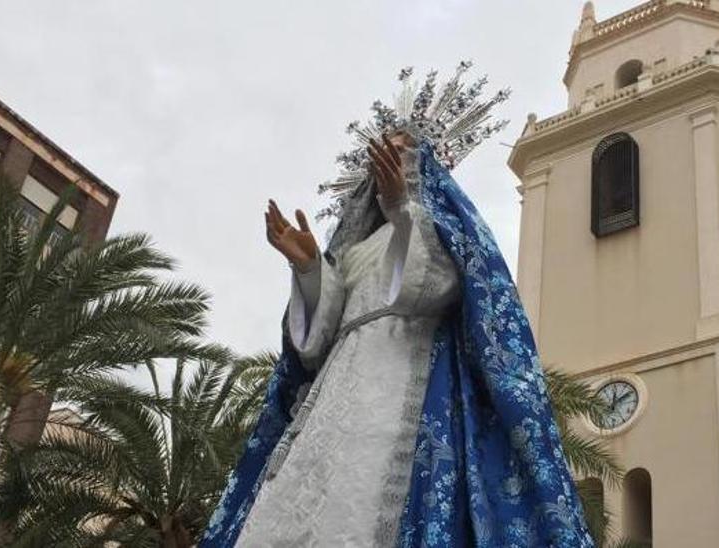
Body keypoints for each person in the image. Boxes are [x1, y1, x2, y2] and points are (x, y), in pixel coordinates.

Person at [203, 64, 593, 548]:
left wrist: (404, 212)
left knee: (367, 496)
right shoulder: (355, 248)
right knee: (309, 493)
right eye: (382, 154)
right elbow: (316, 343)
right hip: (338, 385)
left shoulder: (439, 227)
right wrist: (308, 270)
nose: (389, 161)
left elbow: (433, 289)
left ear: (424, 164)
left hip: (402, 376)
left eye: (401, 152)